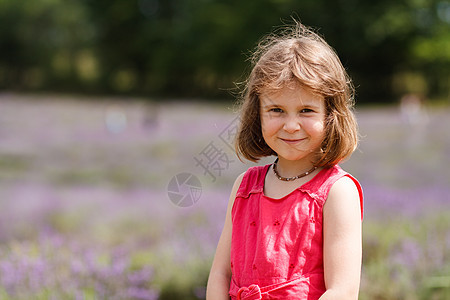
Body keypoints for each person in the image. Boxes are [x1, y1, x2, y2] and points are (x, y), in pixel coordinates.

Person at [206, 21, 363, 300]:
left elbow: (343, 290)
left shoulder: (337, 191)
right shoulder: (245, 186)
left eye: (306, 110)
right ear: (258, 114)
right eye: (277, 109)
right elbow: (220, 274)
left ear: (330, 115)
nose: (291, 125)